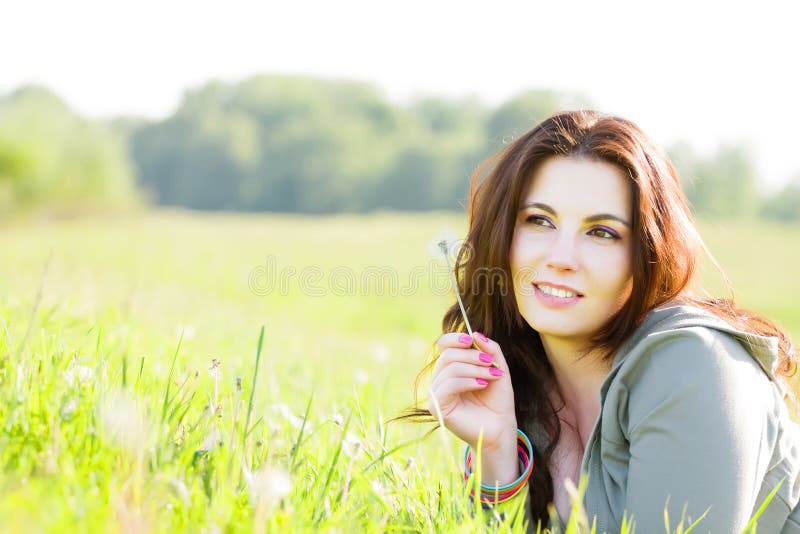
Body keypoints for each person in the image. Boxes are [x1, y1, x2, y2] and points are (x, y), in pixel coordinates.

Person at [407, 110, 800, 532]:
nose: (560, 258)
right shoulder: (523, 384)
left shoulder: (695, 366)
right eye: (539, 221)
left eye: (602, 233)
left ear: (648, 254)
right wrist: (499, 452)